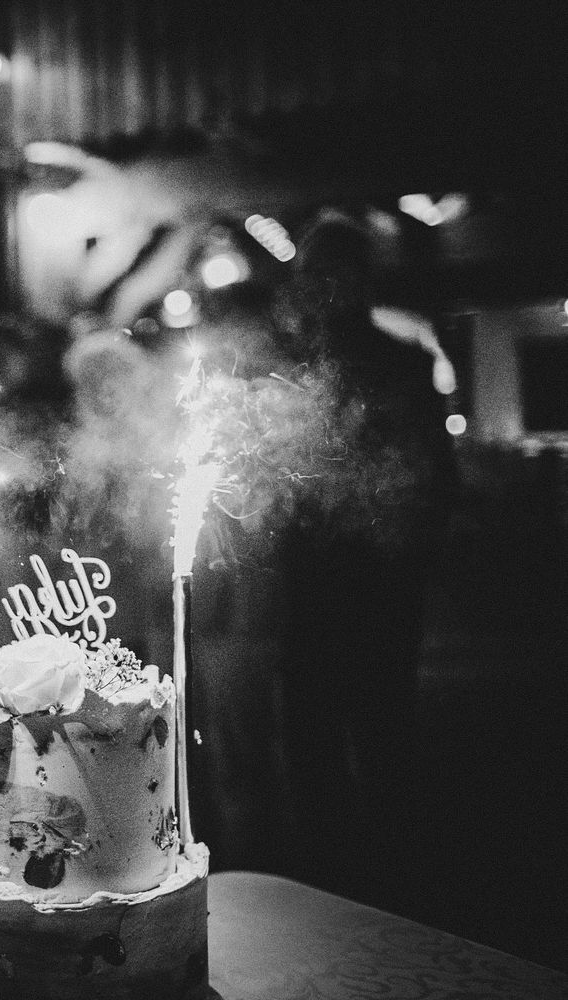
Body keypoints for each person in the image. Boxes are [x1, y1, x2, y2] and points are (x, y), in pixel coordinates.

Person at [265, 211, 457, 907]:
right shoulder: (287, 372)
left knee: (381, 736)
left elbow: (434, 476)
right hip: (313, 585)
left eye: (332, 274)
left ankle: (391, 886)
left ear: (361, 281)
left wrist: (407, 556)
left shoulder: (399, 365)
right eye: (312, 276)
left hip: (376, 588)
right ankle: (331, 880)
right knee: (314, 740)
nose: (321, 289)